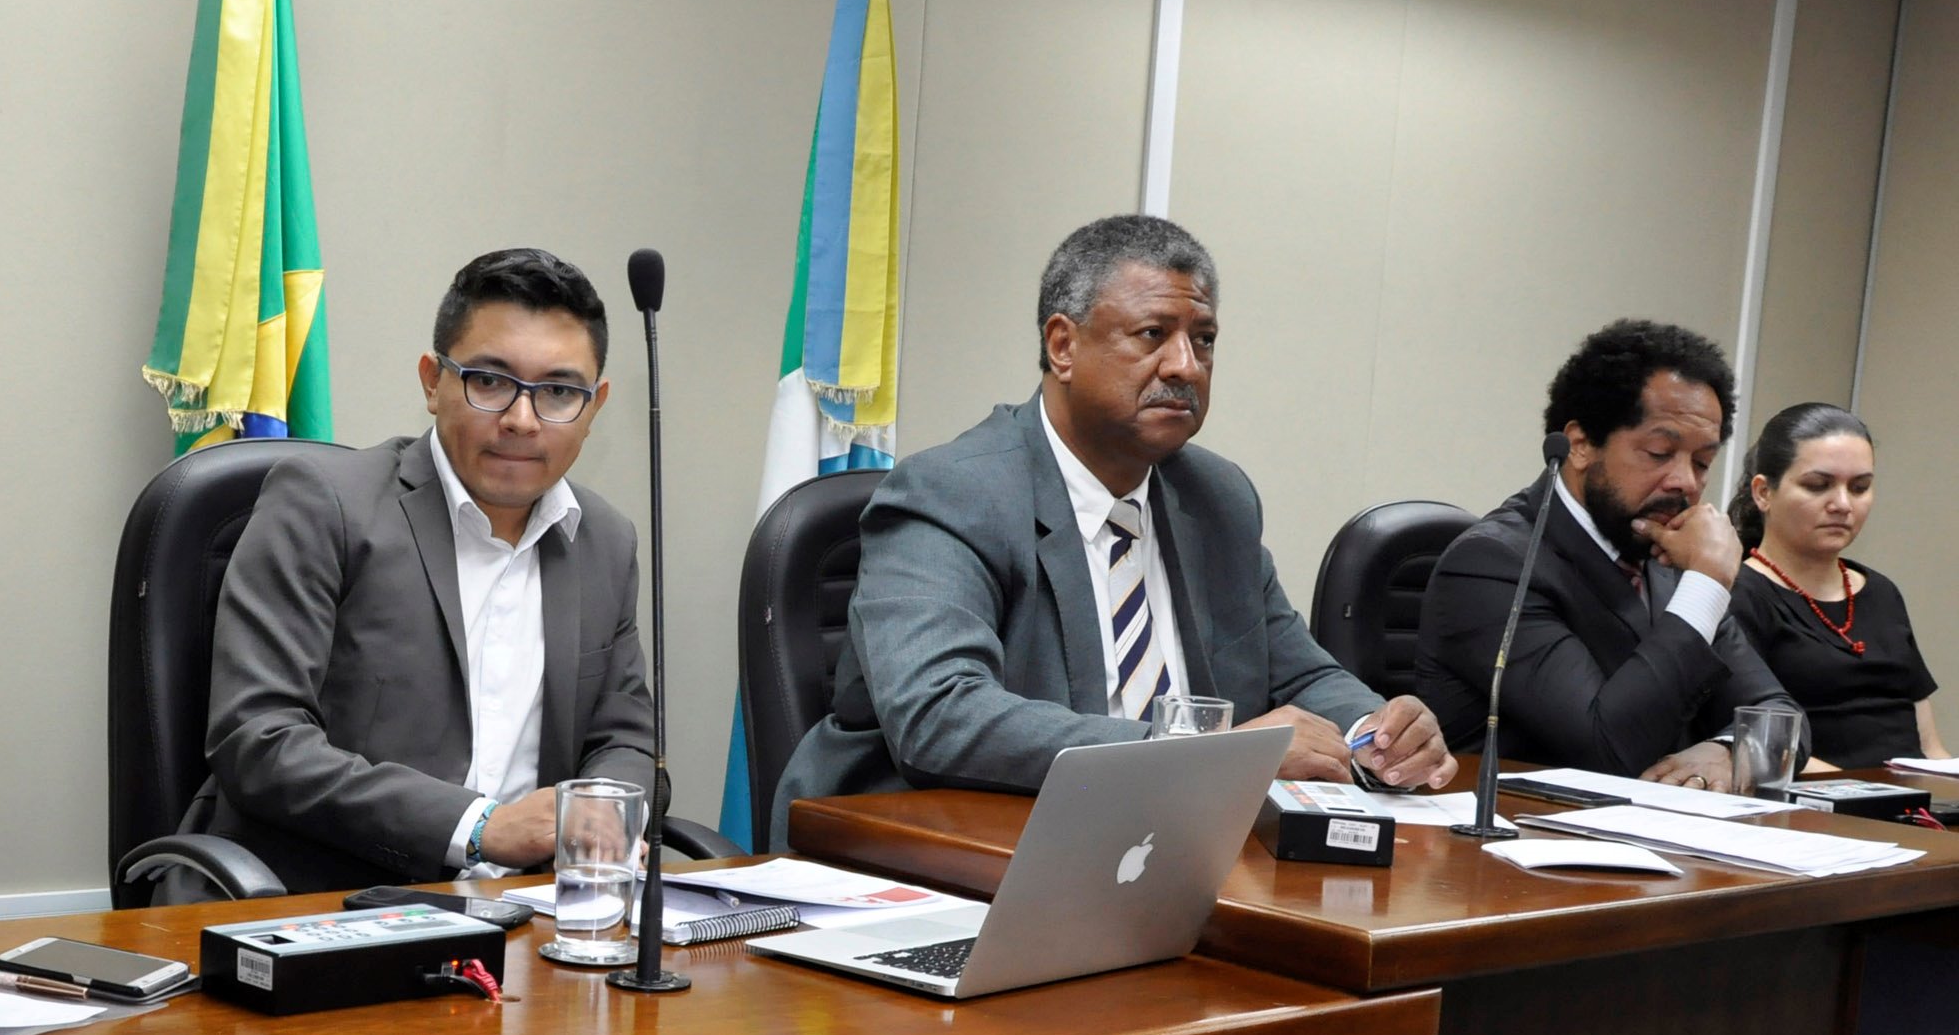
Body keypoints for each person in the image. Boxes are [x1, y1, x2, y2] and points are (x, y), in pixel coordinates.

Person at [772, 213, 1452, 844]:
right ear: (1062, 345)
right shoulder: (953, 492)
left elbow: (1298, 673)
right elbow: (941, 716)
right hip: (937, 845)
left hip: (1162, 847)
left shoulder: (1217, 498)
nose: (1186, 366)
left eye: (1204, 340)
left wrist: (1379, 729)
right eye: (1153, 334)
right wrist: (1204, 756)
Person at [183, 247, 656, 895]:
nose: (521, 420)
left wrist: (602, 812)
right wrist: (479, 826)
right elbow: (258, 739)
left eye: (558, 392)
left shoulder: (605, 540)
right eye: (489, 381)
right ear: (433, 382)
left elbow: (625, 739)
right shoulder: (325, 504)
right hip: (321, 901)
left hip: (530, 909)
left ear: (594, 406)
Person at [1416, 320, 1792, 791]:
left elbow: (1779, 718)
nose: (1686, 482)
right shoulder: (1492, 565)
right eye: (1660, 452)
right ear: (1580, 445)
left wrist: (1729, 752)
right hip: (1518, 827)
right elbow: (1606, 749)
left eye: (1702, 463)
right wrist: (1707, 583)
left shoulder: (1671, 556)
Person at [1726, 402, 1946, 770]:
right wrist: (1870, 795)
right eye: (1818, 486)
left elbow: (1930, 747)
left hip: (1909, 798)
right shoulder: (1738, 593)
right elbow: (1757, 745)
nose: (1842, 504)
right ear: (1763, 492)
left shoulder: (1882, 592)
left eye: (1860, 488)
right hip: (1816, 797)